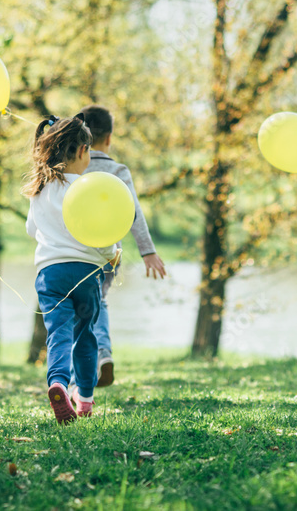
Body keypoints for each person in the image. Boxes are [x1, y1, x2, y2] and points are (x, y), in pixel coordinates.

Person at [24, 115, 120, 424]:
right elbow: (100, 232)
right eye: (89, 151)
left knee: (59, 333)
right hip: (85, 271)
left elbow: (30, 228)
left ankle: (58, 384)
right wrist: (112, 254)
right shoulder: (85, 187)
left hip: (49, 274)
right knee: (85, 334)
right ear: (81, 151)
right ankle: (85, 401)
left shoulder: (39, 187)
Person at [75, 104, 166, 387]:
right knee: (98, 302)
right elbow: (134, 211)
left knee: (76, 308)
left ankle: (79, 370)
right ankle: (102, 354)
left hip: (75, 251)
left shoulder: (73, 167)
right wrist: (147, 251)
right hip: (109, 255)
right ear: (110, 138)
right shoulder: (118, 170)